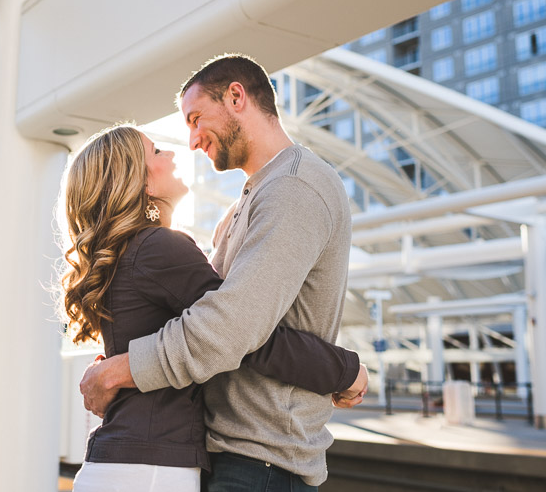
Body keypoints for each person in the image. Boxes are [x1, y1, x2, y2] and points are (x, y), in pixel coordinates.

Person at [80, 54, 362, 491]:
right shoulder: (241, 208)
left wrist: (121, 369)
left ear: (236, 97)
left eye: (195, 119)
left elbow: (229, 328)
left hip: (263, 458)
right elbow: (209, 320)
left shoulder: (294, 187)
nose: (191, 141)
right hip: (229, 453)